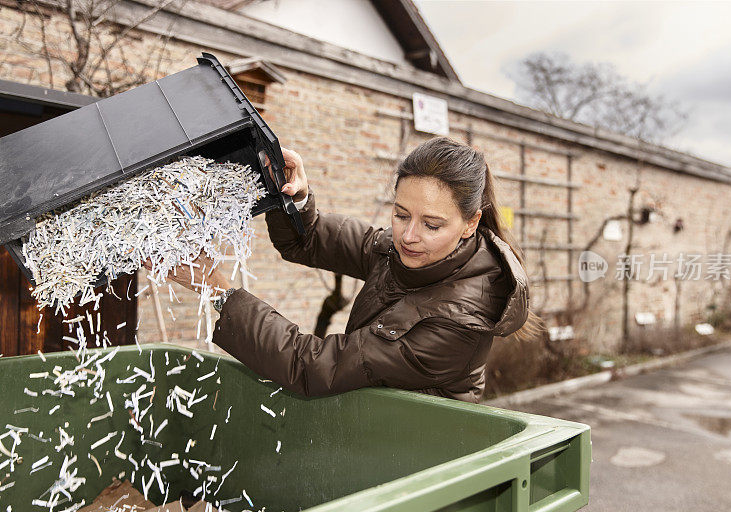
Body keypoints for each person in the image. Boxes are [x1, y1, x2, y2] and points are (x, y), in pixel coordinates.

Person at [149, 137, 530, 403]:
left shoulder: (457, 324)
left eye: (432, 225)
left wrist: (220, 294)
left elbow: (311, 366)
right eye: (400, 215)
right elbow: (309, 238)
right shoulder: (401, 253)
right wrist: (293, 195)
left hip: (420, 459)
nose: (409, 236)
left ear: (470, 223)